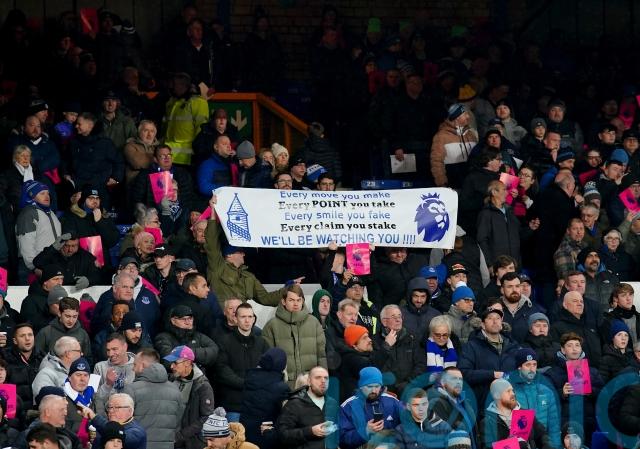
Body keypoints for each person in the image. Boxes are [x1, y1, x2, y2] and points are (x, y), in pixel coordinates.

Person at [204, 198, 289, 306]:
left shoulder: (249, 277)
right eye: (240, 252)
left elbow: (267, 299)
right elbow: (211, 242)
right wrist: (213, 212)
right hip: (222, 314)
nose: (244, 254)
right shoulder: (217, 267)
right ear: (229, 255)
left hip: (243, 315)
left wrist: (287, 289)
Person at [262, 285, 327, 388]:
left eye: (298, 300)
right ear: (283, 301)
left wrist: (322, 382)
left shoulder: (314, 323)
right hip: (283, 387)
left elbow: (322, 356)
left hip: (310, 385)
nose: (296, 304)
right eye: (291, 300)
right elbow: (267, 361)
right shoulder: (271, 326)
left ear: (302, 301)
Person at [543, 332, 604, 442]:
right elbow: (545, 399)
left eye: (577, 345)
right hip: (565, 424)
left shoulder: (592, 372)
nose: (574, 349)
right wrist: (562, 393)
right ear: (563, 350)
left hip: (588, 422)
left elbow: (604, 394)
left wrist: (590, 391)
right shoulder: (552, 373)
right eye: (570, 345)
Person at [214, 303, 268, 422]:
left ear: (254, 319)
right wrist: (244, 383)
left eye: (250, 317)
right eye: (243, 317)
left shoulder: (262, 343)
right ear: (236, 318)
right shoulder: (224, 341)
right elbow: (222, 369)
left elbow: (268, 368)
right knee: (234, 434)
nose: (247, 320)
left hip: (256, 403)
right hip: (233, 404)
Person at [458, 308, 519, 408]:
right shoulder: (472, 346)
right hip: (484, 405)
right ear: (482, 324)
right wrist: (492, 374)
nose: (495, 321)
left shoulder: (512, 345)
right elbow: (464, 373)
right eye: (490, 318)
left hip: (511, 404)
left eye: (498, 318)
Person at [122, 348, 183, 449]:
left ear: (142, 365)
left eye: (135, 365)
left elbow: (122, 422)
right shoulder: (175, 389)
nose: (133, 369)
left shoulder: (131, 389)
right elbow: (178, 422)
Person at [164, 345, 215, 449]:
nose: (171, 366)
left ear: (187, 363)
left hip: (191, 443)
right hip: (171, 440)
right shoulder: (171, 380)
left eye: (175, 363)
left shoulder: (203, 386)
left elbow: (206, 417)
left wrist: (181, 435)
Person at [479, 378, 554, 449]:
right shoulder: (487, 423)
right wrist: (514, 445)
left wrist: (547, 445)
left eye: (512, 390)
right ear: (496, 395)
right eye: (508, 391)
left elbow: (542, 434)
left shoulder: (524, 414)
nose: (513, 394)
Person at [339, 366, 402, 449]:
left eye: (377, 386)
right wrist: (366, 431)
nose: (374, 391)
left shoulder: (392, 401)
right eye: (369, 386)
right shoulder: (348, 406)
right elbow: (342, 439)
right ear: (361, 386)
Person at [508, 348, 561, 447]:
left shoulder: (546, 391)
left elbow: (554, 426)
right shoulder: (509, 392)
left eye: (534, 364)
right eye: (528, 365)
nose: (532, 369)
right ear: (519, 367)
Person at [239, 348, 290, 449]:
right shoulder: (281, 388)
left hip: (247, 434)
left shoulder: (250, 379)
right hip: (267, 435)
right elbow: (287, 416)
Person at [277, 366, 340, 449]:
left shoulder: (332, 403)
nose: (323, 381)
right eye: (318, 378)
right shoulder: (294, 404)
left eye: (326, 378)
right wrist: (310, 431)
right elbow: (283, 435)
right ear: (309, 382)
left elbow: (338, 433)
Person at [68, 112, 124, 204]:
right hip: (78, 188)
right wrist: (66, 174)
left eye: (79, 124)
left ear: (90, 125)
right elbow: (66, 160)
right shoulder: (73, 143)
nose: (76, 126)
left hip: (100, 189)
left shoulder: (105, 143)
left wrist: (116, 178)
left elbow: (118, 161)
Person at [60, 185, 120, 268]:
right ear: (84, 200)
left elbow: (112, 241)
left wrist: (100, 222)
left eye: (97, 198)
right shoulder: (72, 216)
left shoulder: (105, 216)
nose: (95, 201)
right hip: (82, 265)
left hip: (104, 266)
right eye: (91, 198)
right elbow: (70, 242)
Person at [373, 304, 426, 395]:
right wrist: (386, 346)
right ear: (384, 322)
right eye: (393, 317)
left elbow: (421, 365)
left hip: (409, 389)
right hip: (384, 391)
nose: (398, 320)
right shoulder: (375, 340)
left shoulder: (412, 338)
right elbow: (374, 365)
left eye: (399, 316)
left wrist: (408, 384)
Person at [162, 72, 209, 166]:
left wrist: (197, 152)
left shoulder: (198, 102)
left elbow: (201, 130)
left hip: (186, 158)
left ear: (183, 85)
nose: (171, 87)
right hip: (168, 156)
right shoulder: (172, 102)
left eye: (174, 84)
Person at [16, 181, 61, 276]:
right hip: (37, 267)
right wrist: (34, 268)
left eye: (48, 193)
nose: (47, 196)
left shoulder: (50, 213)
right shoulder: (28, 214)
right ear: (32, 196)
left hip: (52, 263)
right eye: (42, 193)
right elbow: (26, 243)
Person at [155, 304, 218, 369]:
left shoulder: (198, 335)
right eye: (183, 319)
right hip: (176, 374)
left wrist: (189, 352)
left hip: (200, 373)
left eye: (190, 318)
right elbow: (168, 360)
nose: (188, 322)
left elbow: (214, 350)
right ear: (173, 321)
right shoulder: (163, 337)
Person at [430, 103, 478, 188]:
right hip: (452, 184)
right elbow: (436, 162)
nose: (468, 117)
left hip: (471, 185)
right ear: (457, 117)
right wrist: (442, 182)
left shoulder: (471, 135)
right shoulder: (441, 136)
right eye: (465, 114)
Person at [550, 291, 602, 365]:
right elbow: (556, 354)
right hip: (572, 370)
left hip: (596, 369)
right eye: (575, 301)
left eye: (581, 301)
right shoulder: (557, 327)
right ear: (565, 305)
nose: (579, 304)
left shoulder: (590, 325)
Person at [79, 393, 146, 449]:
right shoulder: (103, 425)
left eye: (117, 407)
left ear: (130, 411)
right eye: (110, 407)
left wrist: (94, 417)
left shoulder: (137, 432)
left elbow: (117, 434)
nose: (111, 411)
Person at [32, 233, 102, 287]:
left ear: (78, 245)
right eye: (67, 246)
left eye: (73, 246)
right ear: (61, 244)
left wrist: (88, 280)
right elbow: (37, 262)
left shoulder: (86, 256)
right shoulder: (52, 253)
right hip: (55, 292)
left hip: (78, 292)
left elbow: (97, 275)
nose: (70, 250)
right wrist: (53, 248)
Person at [35, 297, 92, 362]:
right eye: (67, 316)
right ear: (59, 313)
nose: (71, 320)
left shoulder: (83, 334)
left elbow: (88, 359)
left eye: (74, 317)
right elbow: (37, 357)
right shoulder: (45, 333)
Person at [429, 368, 477, 441]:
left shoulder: (466, 403)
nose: (458, 382)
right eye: (454, 379)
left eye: (460, 379)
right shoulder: (436, 403)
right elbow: (440, 437)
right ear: (443, 382)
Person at [3, 322, 45, 406]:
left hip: (39, 408)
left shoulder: (43, 358)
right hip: (16, 409)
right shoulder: (5, 359)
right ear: (15, 341)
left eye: (30, 335)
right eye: (22, 336)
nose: (27, 339)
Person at [93, 334, 135, 413]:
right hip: (107, 416)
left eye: (114, 349)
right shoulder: (99, 367)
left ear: (125, 347)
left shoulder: (138, 366)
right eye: (108, 350)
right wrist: (107, 385)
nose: (110, 354)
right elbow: (93, 397)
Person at [498, 272, 544, 343]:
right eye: (510, 286)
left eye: (517, 286)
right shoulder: (494, 309)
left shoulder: (534, 310)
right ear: (502, 290)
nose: (514, 290)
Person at [399, 277, 440, 342]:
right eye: (416, 296)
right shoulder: (399, 314)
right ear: (410, 296)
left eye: (423, 296)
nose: (419, 300)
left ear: (427, 297)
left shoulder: (436, 315)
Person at [123, 120, 159, 185]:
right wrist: (157, 158)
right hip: (135, 182)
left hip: (156, 182)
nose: (149, 134)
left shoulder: (159, 147)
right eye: (146, 131)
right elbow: (137, 163)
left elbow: (166, 164)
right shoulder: (130, 146)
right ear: (139, 132)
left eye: (152, 131)